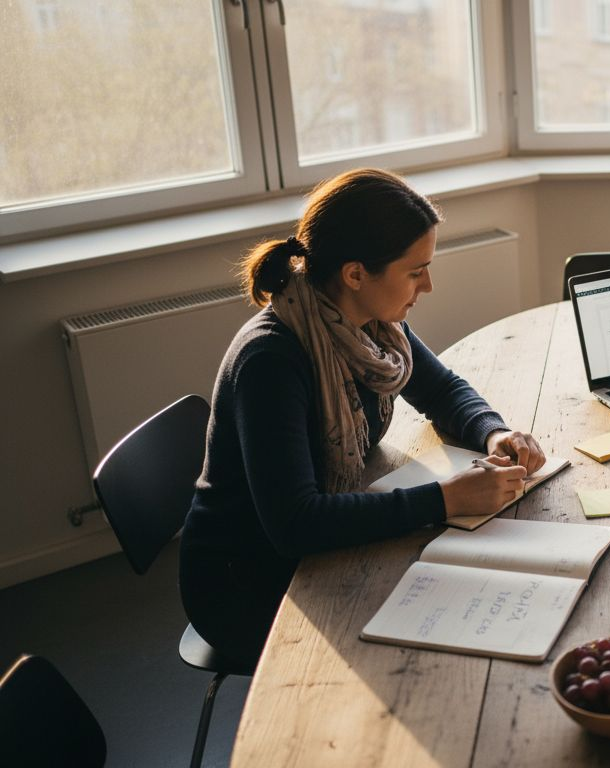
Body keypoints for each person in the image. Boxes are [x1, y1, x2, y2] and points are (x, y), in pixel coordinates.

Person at [179, 168, 547, 667]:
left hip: (323, 535)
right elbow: (296, 525)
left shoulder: (370, 324)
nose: (429, 285)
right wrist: (446, 498)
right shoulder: (271, 361)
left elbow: (440, 389)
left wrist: (494, 432)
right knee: (447, 619)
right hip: (248, 581)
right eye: (416, 271)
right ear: (355, 274)